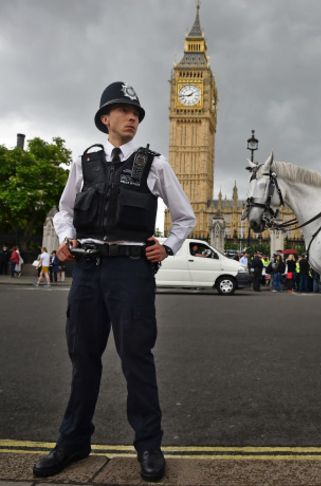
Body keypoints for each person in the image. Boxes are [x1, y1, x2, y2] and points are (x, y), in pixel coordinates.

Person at [33, 81, 195, 482]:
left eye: (137, 113)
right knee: (83, 358)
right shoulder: (83, 162)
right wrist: (67, 239)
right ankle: (73, 440)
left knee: (136, 359)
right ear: (106, 118)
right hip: (87, 271)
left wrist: (169, 246)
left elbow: (185, 217)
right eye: (124, 111)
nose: (133, 117)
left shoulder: (154, 164)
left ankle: (148, 445)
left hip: (130, 272)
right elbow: (64, 210)